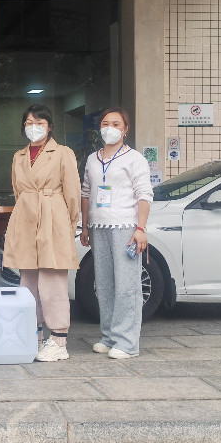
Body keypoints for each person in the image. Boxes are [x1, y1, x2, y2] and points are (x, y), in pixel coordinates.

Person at [2, 105, 81, 362]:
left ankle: (58, 340)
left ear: (50, 126)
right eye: (28, 123)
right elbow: (18, 191)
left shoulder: (63, 153)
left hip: (53, 218)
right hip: (26, 218)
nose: (33, 127)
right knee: (28, 282)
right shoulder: (19, 156)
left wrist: (69, 225)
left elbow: (72, 193)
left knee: (52, 281)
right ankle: (33, 335)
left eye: (39, 122)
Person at [80, 106, 153, 360]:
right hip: (99, 227)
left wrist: (140, 229)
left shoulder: (135, 158)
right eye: (105, 124)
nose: (109, 128)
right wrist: (85, 226)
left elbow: (145, 194)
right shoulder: (92, 159)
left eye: (116, 124)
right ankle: (109, 336)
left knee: (127, 286)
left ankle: (128, 342)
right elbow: (86, 193)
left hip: (125, 228)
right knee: (104, 284)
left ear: (125, 129)